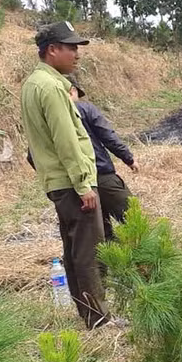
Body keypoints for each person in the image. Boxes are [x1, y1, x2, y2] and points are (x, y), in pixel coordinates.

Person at [20, 21, 109, 329]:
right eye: (71, 48)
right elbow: (65, 139)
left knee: (73, 252)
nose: (77, 54)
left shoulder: (33, 83)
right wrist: (84, 185)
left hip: (58, 182)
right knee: (88, 252)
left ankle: (88, 314)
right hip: (72, 183)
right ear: (52, 50)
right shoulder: (52, 87)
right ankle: (98, 318)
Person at [29, 75, 138, 241]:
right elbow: (107, 135)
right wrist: (128, 158)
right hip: (101, 175)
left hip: (73, 185)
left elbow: (33, 154)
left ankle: (110, 262)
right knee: (133, 220)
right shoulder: (84, 108)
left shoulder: (45, 118)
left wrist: (56, 179)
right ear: (72, 90)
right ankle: (143, 260)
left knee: (99, 233)